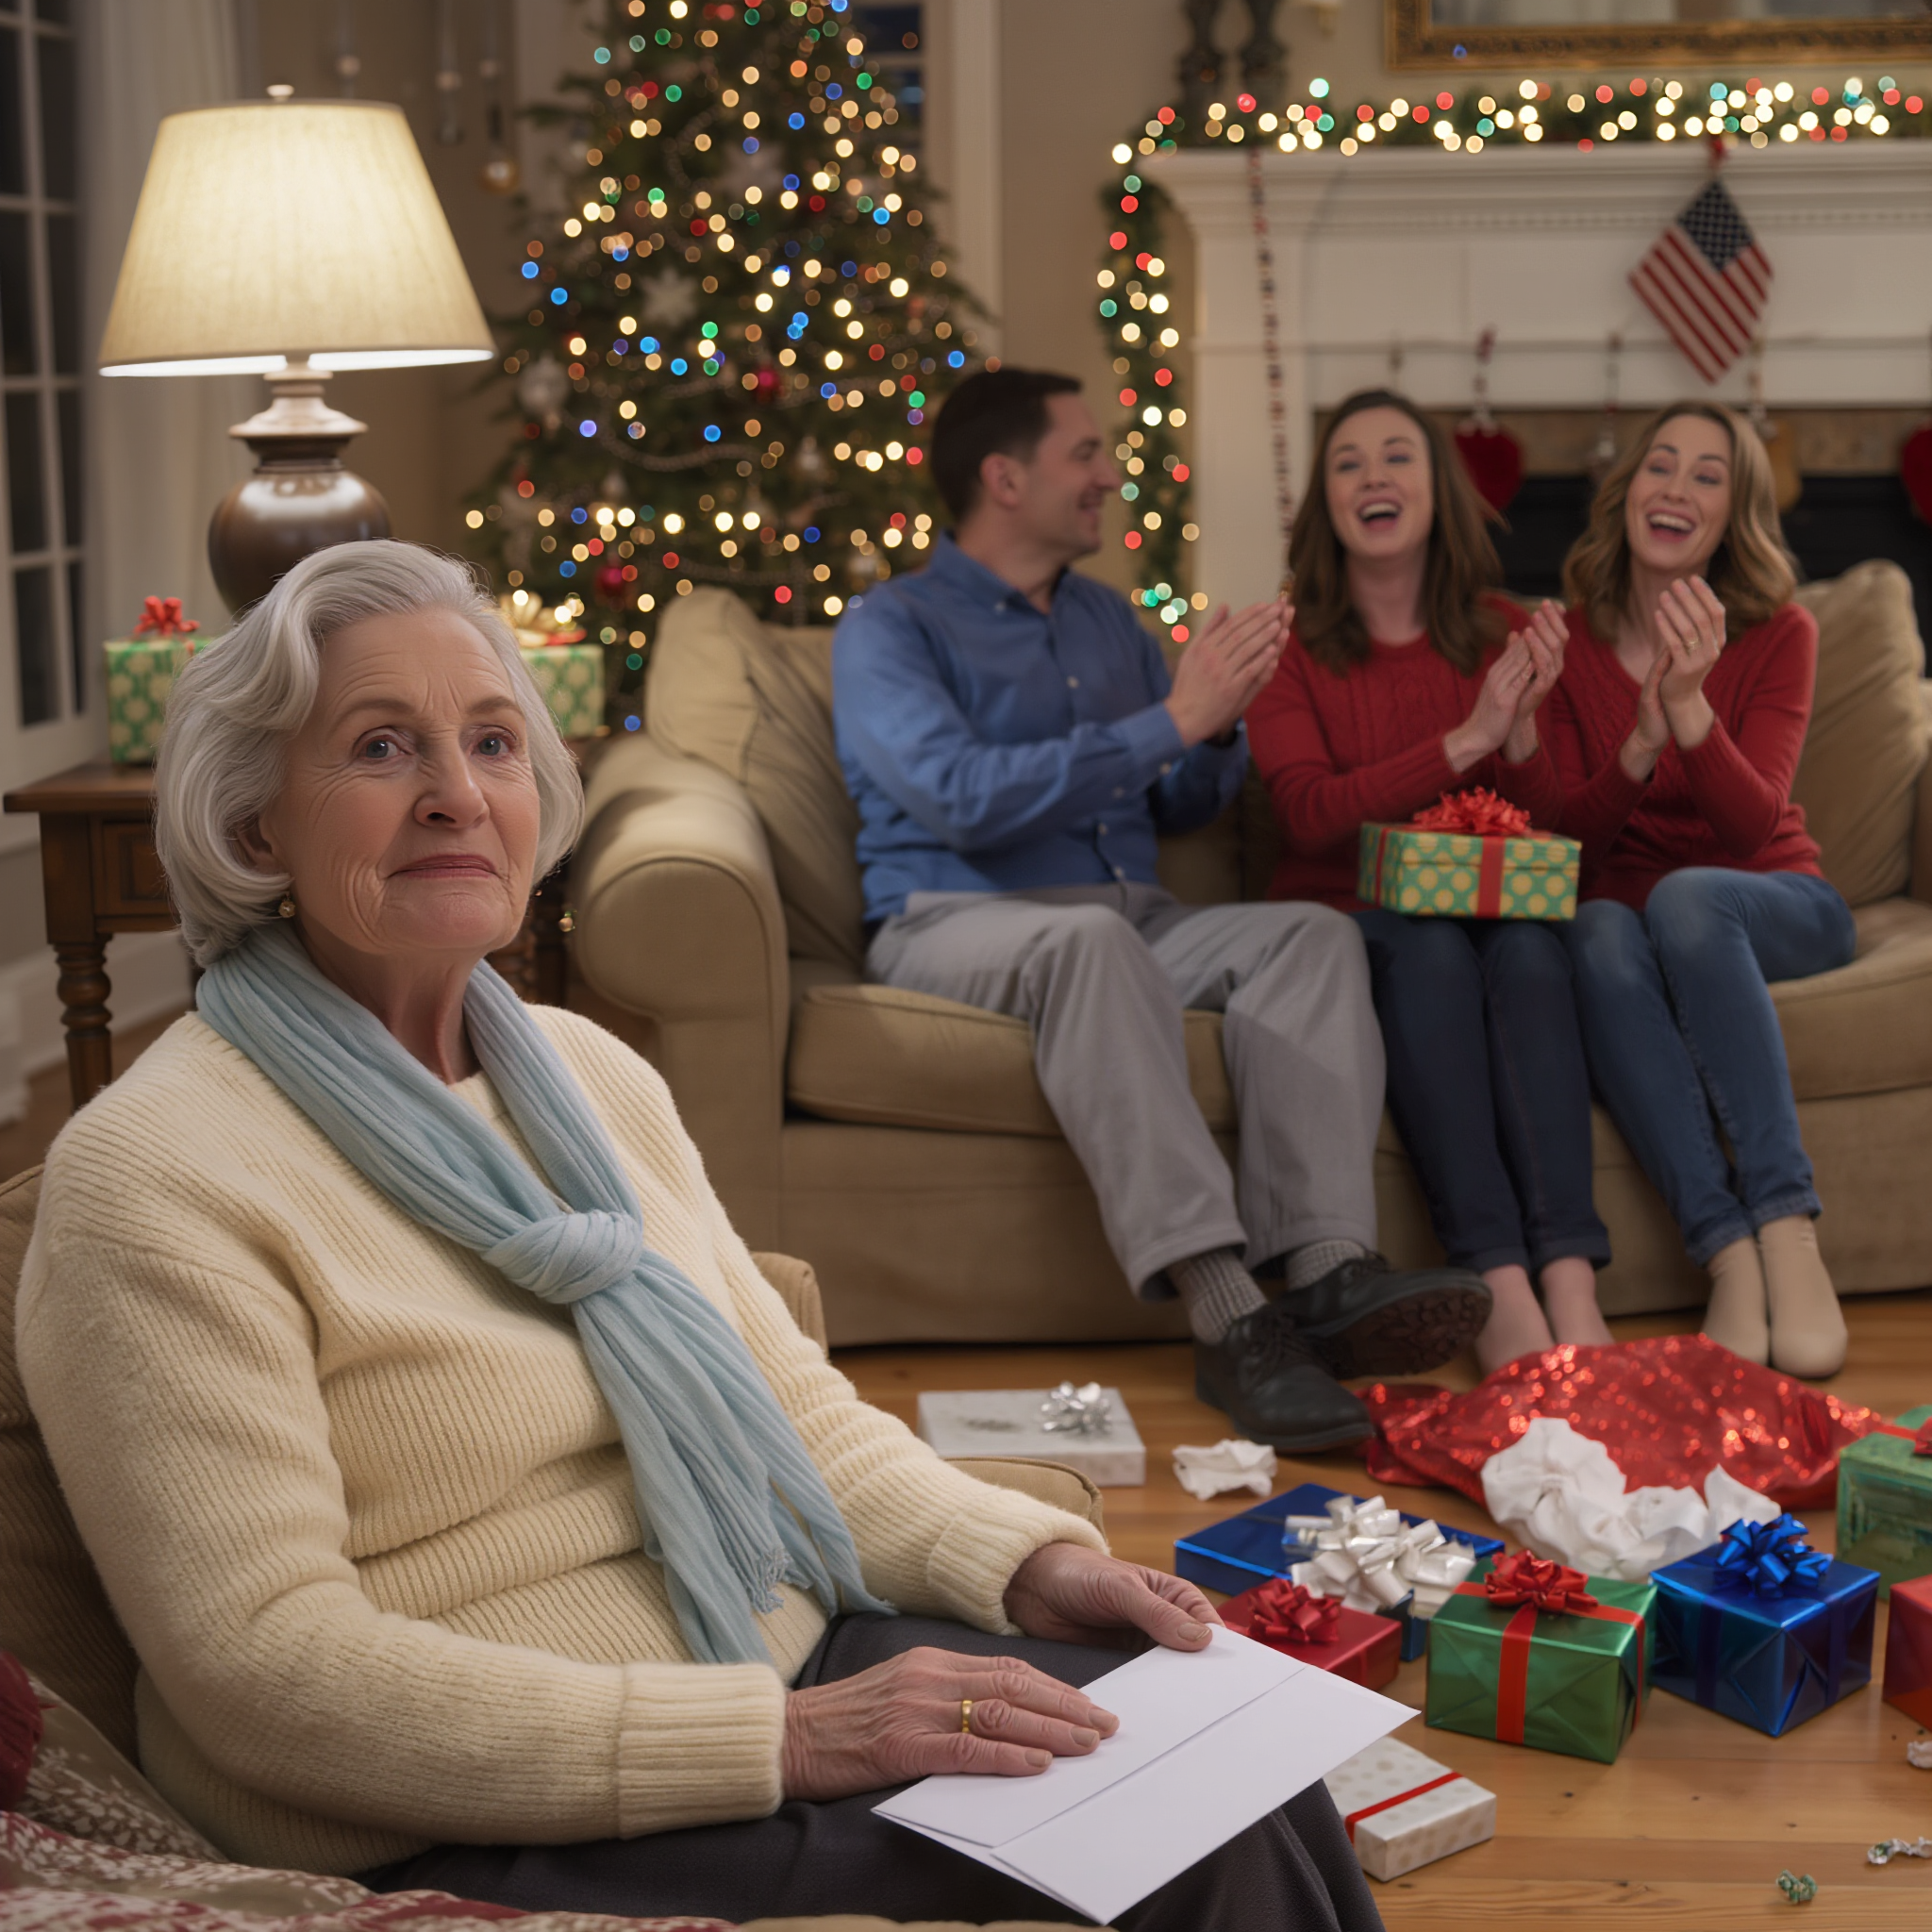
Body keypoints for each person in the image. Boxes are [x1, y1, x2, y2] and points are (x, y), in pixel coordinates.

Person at [15, 541, 1385, 1931]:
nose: (456, 794)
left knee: (1245, 1775)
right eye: (382, 747)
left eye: (492, 742)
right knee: (1191, 1858)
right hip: (462, 1806)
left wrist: (1029, 1562)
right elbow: (267, 1673)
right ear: (254, 828)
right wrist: (789, 1740)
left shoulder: (586, 1076)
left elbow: (795, 1415)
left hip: (774, 1652)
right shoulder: (156, 1174)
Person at [833, 369, 1491, 1451]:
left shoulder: (1109, 624)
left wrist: (1217, 722)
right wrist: (1169, 719)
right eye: (1083, 454)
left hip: (1131, 915)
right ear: (1004, 478)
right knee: (1091, 944)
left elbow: (1179, 795)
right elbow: (956, 795)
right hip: (953, 916)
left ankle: (1326, 1269)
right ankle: (1230, 1318)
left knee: (1311, 935)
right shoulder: (890, 628)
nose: (1108, 474)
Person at [1247, 391, 1613, 1373]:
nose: (1373, 475)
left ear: (1435, 488)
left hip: (1490, 918)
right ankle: (1493, 1278)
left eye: (1396, 456)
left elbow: (1551, 820)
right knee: (1430, 948)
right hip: (1347, 922)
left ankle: (1570, 1276)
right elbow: (1310, 815)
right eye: (1347, 462)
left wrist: (1522, 730)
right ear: (1323, 503)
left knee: (1536, 952)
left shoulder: (1502, 629)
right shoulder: (1286, 648)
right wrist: (1466, 739)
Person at [1538, 401, 1854, 1378]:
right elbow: (1570, 851)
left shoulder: (1778, 631)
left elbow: (1749, 828)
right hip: (1630, 918)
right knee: (1594, 922)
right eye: (1658, 465)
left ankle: (1785, 1227)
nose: (1675, 487)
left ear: (1731, 515)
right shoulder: (1572, 641)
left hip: (1774, 902)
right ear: (1626, 489)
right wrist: (1637, 739)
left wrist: (1686, 707)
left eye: (1706, 475)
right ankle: (1725, 1252)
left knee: (1683, 896)